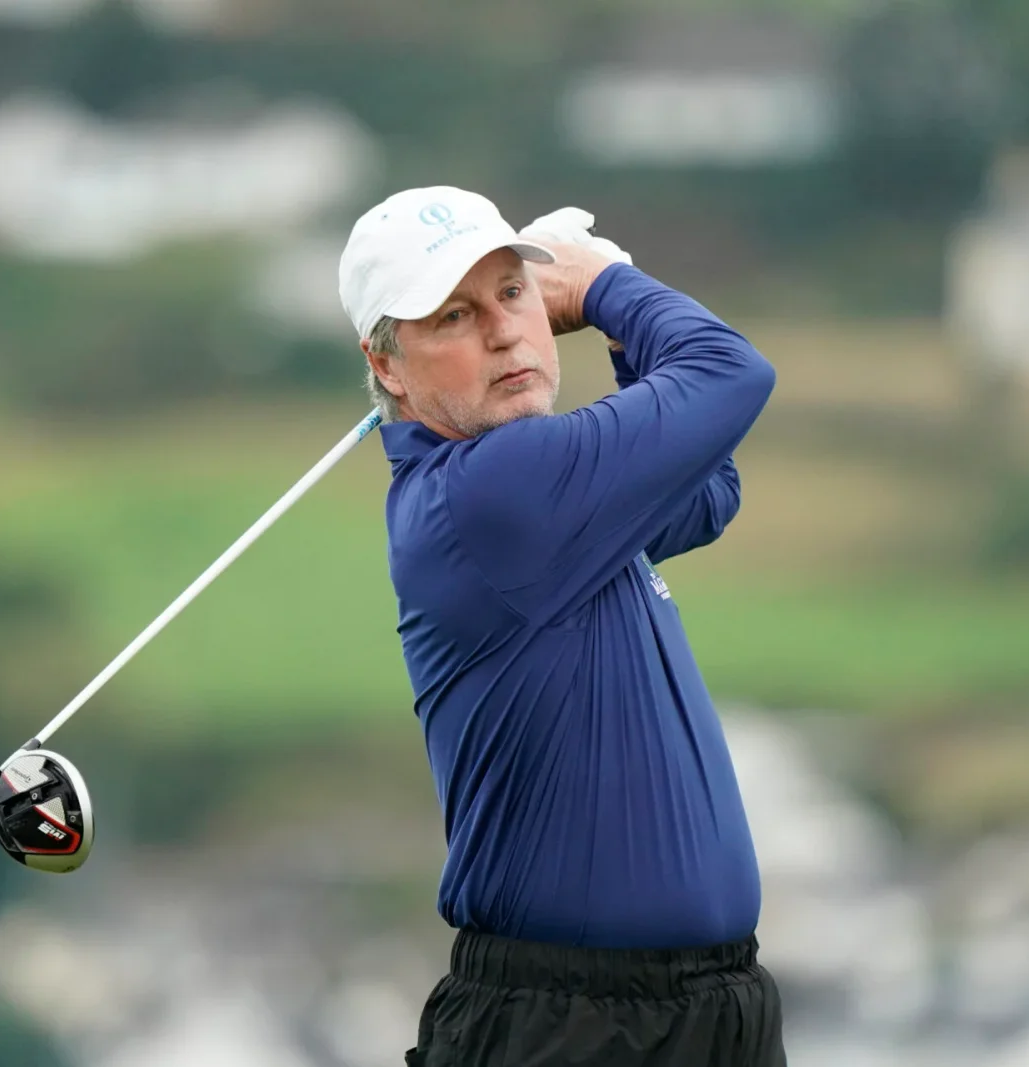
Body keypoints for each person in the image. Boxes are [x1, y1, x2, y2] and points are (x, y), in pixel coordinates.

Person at [337, 185, 786, 1067]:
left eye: (513, 293)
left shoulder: (545, 502)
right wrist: (603, 285)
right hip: (570, 1024)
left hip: (708, 1012)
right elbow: (731, 372)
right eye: (454, 316)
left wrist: (617, 335)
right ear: (387, 364)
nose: (504, 333)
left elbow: (709, 490)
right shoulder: (492, 495)